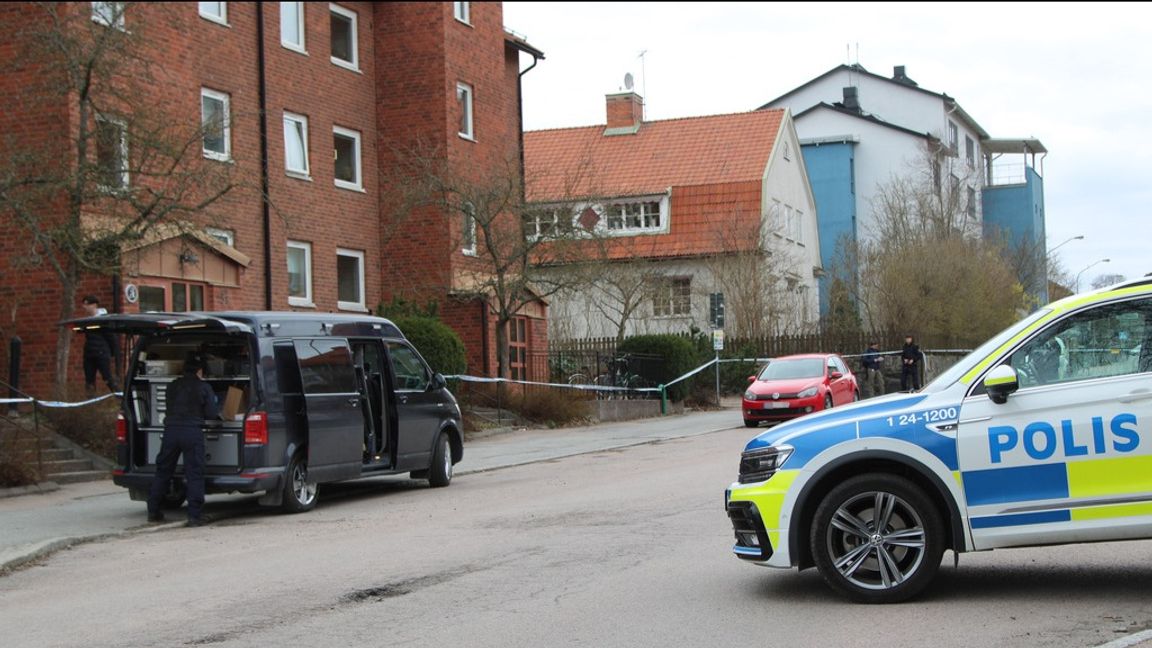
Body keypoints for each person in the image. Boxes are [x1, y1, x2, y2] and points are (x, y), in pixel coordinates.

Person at [147, 352, 219, 527]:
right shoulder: (204, 388)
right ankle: (194, 516)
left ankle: (153, 511)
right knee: (194, 473)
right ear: (200, 371)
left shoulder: (173, 386)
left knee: (163, 470)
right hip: (192, 432)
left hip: (171, 431)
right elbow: (211, 413)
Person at [80, 295, 120, 394]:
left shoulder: (103, 320)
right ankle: (91, 402)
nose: (84, 307)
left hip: (101, 353)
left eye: (86, 304)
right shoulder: (88, 320)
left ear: (94, 305)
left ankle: (120, 397)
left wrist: (113, 353)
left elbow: (111, 337)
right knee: (89, 380)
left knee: (107, 377)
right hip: (89, 353)